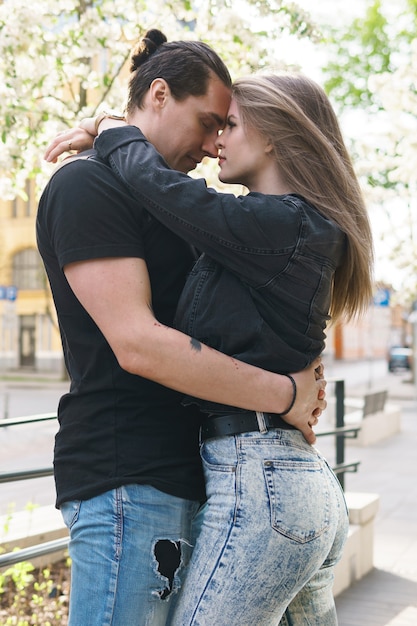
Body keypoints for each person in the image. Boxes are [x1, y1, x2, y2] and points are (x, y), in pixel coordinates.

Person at [55, 70, 374, 625]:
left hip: (262, 482)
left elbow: (167, 193)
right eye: (211, 123)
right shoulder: (281, 231)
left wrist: (111, 129)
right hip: (285, 479)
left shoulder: (279, 223)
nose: (215, 143)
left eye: (228, 124)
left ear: (274, 135)